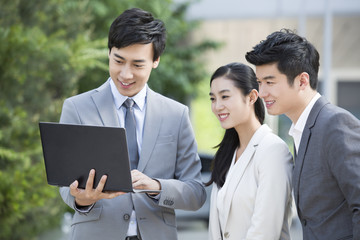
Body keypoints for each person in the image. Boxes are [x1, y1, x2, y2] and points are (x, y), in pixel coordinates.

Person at [58, 8, 206, 240]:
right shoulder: (77, 108)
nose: (125, 74)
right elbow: (66, 185)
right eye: (118, 61)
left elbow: (196, 192)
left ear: (156, 61)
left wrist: (156, 186)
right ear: (109, 53)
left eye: (137, 65)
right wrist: (82, 198)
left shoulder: (176, 114)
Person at [246, 29, 360, 239]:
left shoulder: (335, 124)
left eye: (269, 82)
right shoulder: (303, 130)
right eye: (260, 83)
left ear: (302, 81)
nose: (262, 93)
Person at [207, 62, 293, 239]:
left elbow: (265, 231)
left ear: (252, 97)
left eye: (225, 96)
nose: (217, 106)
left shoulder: (273, 151)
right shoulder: (227, 153)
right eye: (213, 99)